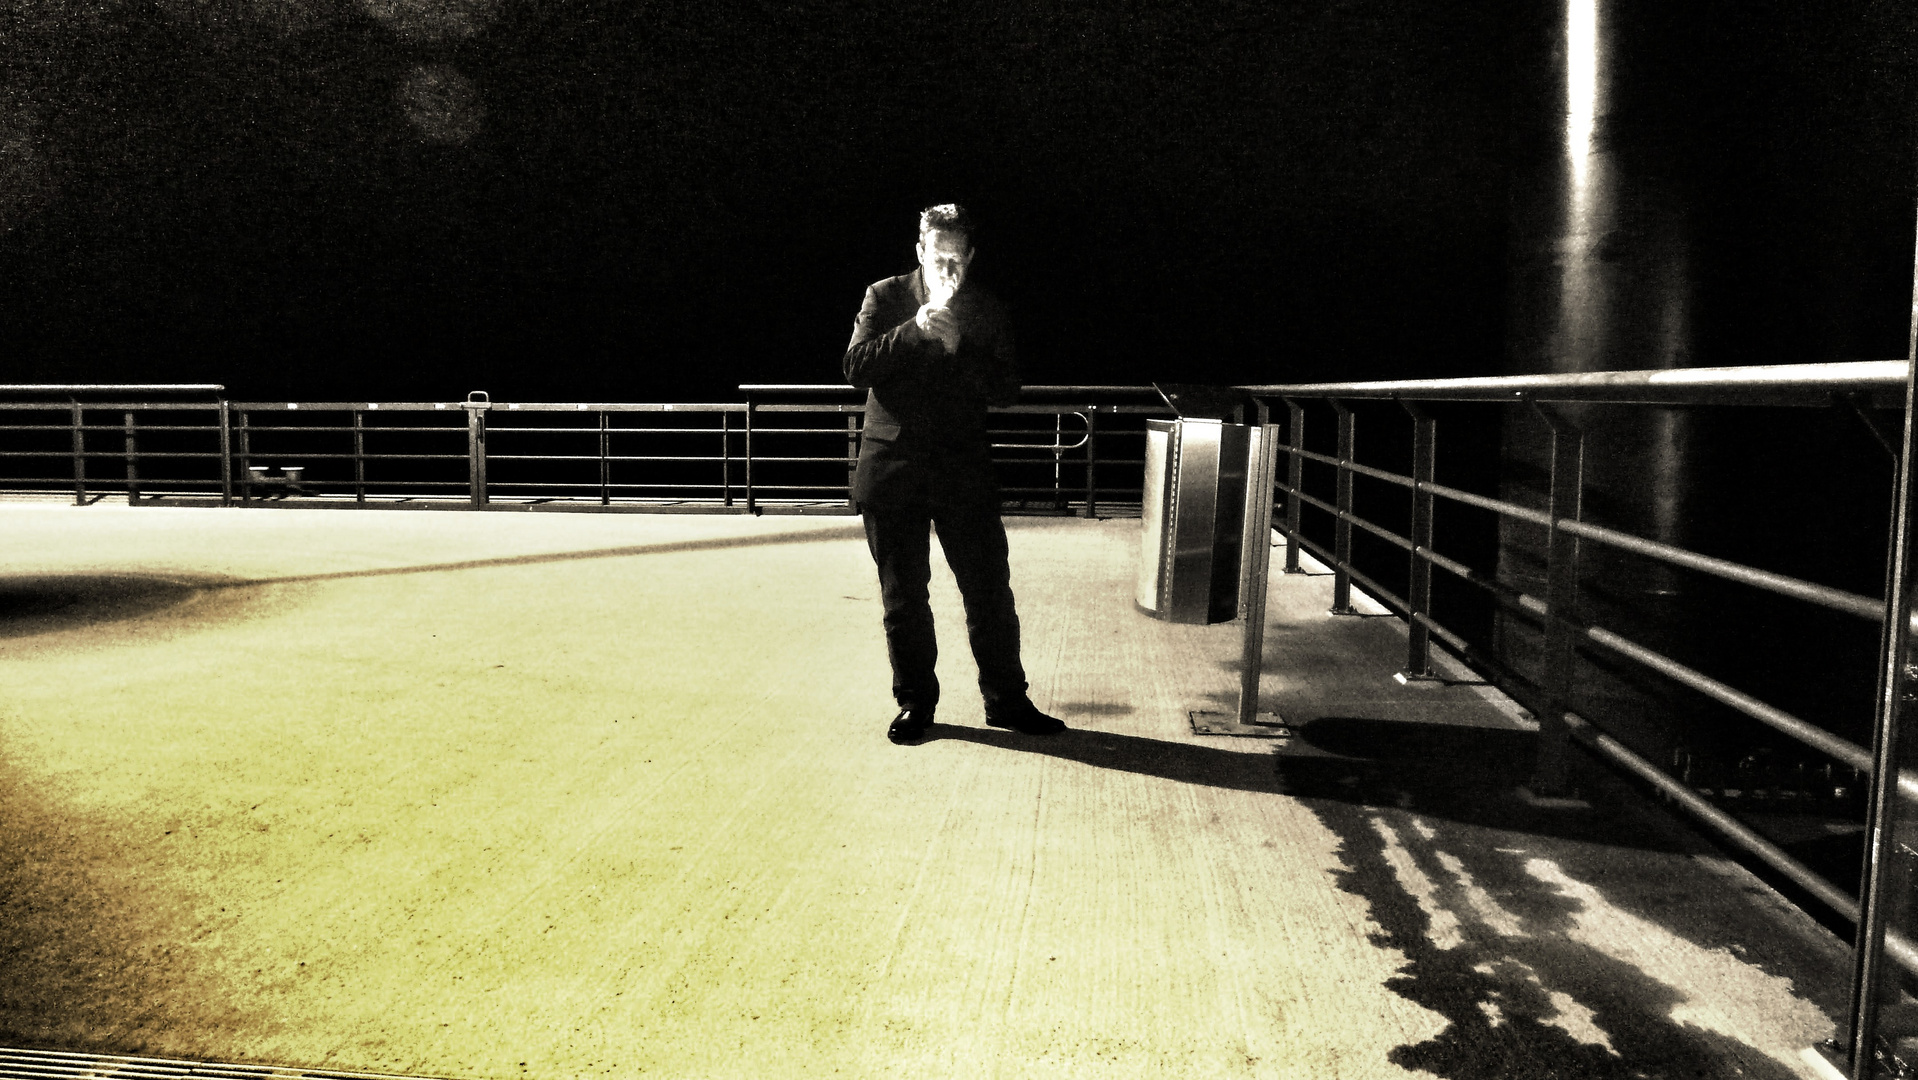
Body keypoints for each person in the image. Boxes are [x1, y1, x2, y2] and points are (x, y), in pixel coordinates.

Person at [843, 203, 1067, 745]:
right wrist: (913, 332)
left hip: (962, 471)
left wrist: (958, 346)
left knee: (989, 592)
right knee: (904, 599)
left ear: (969, 256)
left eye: (956, 258)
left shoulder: (986, 309)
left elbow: (1005, 390)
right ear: (920, 250)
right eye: (937, 255)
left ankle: (1007, 700)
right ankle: (917, 704)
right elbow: (855, 369)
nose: (947, 267)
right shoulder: (885, 295)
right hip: (893, 471)